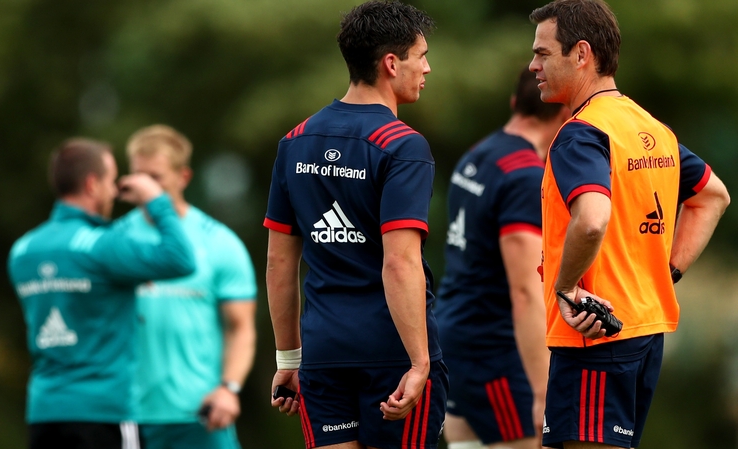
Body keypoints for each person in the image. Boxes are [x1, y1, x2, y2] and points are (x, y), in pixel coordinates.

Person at [528, 1, 731, 448]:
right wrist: (666, 272)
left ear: (581, 54)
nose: (533, 65)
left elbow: (592, 220)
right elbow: (713, 196)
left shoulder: (581, 133)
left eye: (543, 53)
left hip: (594, 338)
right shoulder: (649, 127)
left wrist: (566, 287)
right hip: (644, 333)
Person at [263, 1, 448, 448]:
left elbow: (278, 263)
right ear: (391, 64)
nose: (427, 68)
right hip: (391, 352)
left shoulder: (295, 141)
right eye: (421, 56)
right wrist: (420, 362)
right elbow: (399, 263)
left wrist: (289, 358)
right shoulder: (403, 146)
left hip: (323, 352)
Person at [7, 138, 196, 449]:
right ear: (92, 184)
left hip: (43, 413)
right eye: (111, 182)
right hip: (104, 412)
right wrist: (156, 199)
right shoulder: (102, 246)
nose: (114, 192)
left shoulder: (23, 251)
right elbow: (181, 258)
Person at [435, 66, 569, 449]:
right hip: (495, 351)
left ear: (514, 102)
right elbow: (526, 290)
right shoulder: (525, 176)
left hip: (454, 336)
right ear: (565, 113)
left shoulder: (479, 153)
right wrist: (542, 392)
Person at [117, 125, 257, 449]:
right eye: (139, 176)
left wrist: (229, 388)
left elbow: (241, 328)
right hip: (130, 416)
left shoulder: (220, 242)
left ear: (183, 177)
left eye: (155, 178)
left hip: (202, 413)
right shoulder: (115, 241)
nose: (145, 188)